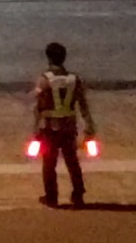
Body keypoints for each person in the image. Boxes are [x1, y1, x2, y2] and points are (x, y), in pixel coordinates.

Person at [33, 41, 95, 208]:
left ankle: (52, 197)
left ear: (48, 58)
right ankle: (78, 194)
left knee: (49, 164)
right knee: (72, 162)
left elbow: (39, 107)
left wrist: (35, 130)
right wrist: (90, 126)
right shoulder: (75, 80)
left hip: (49, 128)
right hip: (69, 128)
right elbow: (83, 105)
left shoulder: (44, 80)